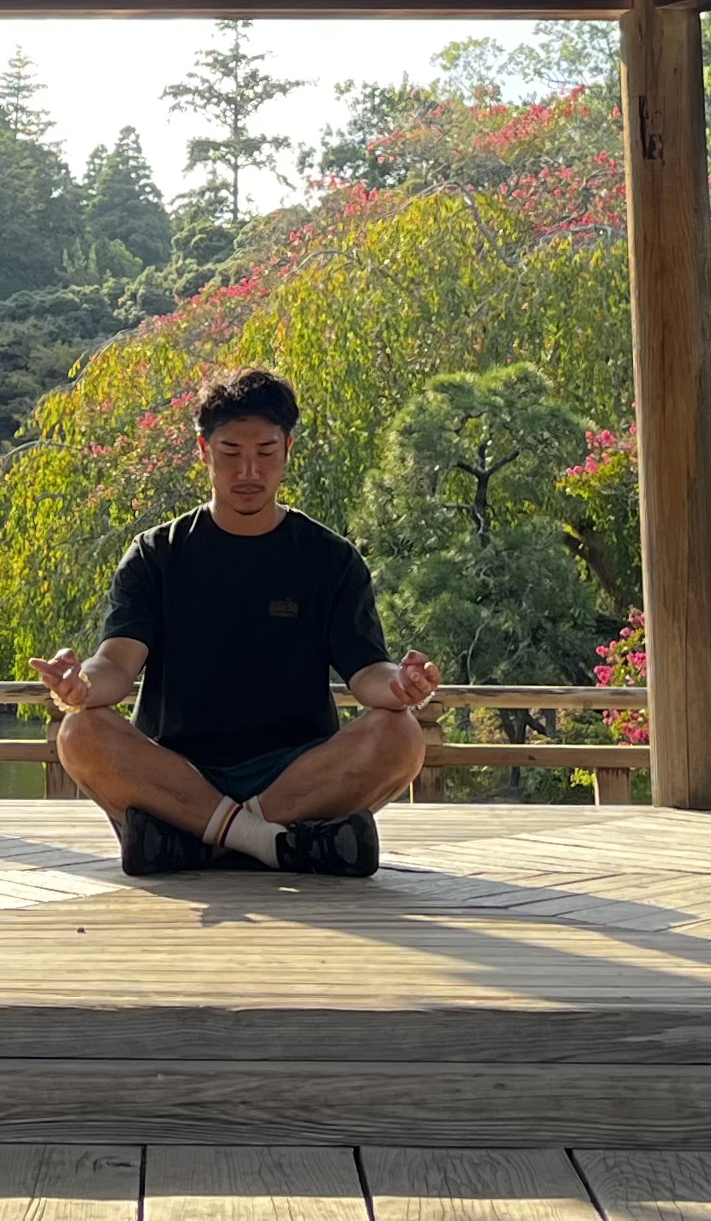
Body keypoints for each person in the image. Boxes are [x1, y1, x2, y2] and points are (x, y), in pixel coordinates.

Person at [35, 364, 439, 877]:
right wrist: (80, 685)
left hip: (297, 774)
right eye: (231, 454)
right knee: (79, 732)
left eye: (265, 454)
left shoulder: (329, 559)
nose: (249, 472)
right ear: (204, 452)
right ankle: (276, 841)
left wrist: (403, 685)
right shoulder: (156, 555)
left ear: (288, 451)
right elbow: (116, 665)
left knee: (402, 736)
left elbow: (367, 674)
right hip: (178, 773)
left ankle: (200, 839)